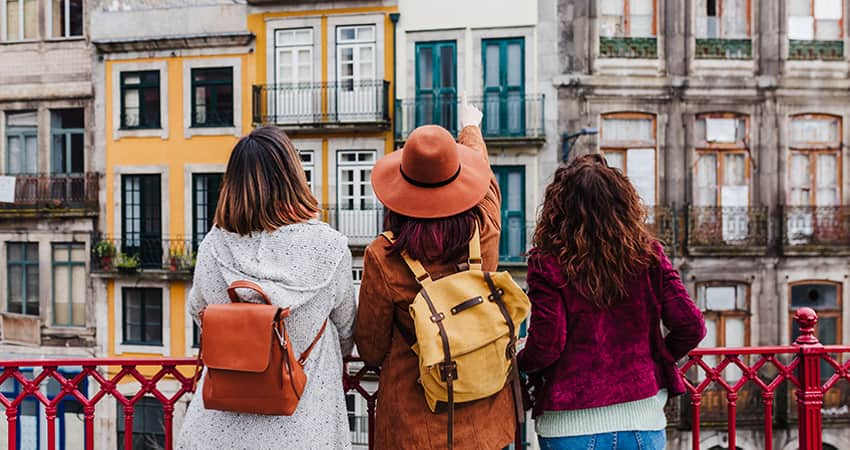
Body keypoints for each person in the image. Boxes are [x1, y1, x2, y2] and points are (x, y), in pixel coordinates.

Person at [177, 126, 356, 450]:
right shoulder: (329, 247)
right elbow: (347, 329)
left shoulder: (214, 245)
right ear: (293, 176)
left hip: (217, 430)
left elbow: (200, 313)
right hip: (303, 427)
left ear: (232, 184)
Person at [354, 101, 517, 449]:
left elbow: (369, 349)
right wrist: (470, 126)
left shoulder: (383, 256)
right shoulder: (484, 230)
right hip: (486, 426)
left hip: (414, 429)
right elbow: (484, 176)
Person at [518, 154, 706, 450]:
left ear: (558, 210)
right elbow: (691, 326)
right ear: (623, 205)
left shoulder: (547, 264)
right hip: (642, 420)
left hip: (570, 425)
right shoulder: (649, 256)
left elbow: (548, 343)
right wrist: (654, 360)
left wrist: (520, 361)